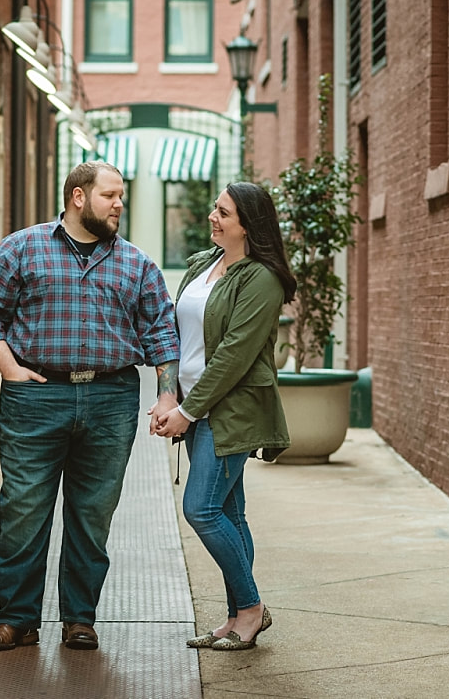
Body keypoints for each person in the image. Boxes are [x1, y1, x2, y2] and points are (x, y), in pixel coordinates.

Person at [0, 161, 180, 652]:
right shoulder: (23, 247)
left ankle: (79, 618)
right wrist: (10, 369)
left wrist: (167, 393)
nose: (119, 204)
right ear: (78, 198)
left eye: (122, 196)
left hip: (112, 399)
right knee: (23, 511)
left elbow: (162, 332)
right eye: (110, 196)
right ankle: (16, 620)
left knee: (92, 515)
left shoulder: (137, 264)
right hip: (37, 396)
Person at [151, 181, 295, 651]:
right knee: (231, 512)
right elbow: (173, 335)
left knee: (202, 508)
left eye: (224, 213)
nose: (213, 217)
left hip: (229, 412)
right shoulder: (202, 264)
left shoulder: (261, 279)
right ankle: (237, 619)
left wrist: (189, 412)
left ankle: (252, 608)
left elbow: (234, 355)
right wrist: (168, 396)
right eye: (215, 208)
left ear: (248, 225)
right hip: (194, 406)